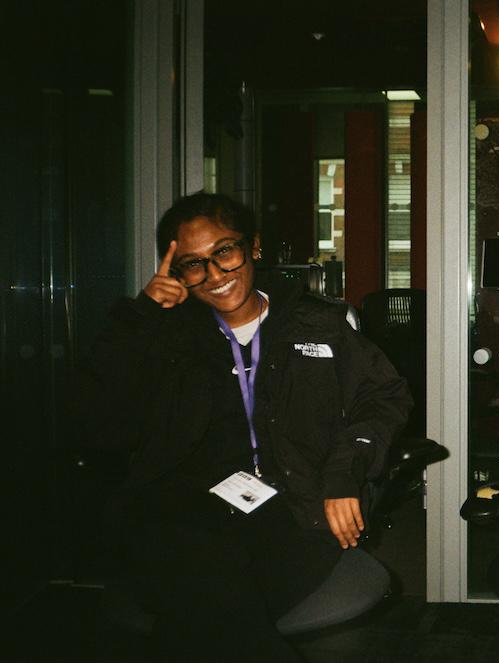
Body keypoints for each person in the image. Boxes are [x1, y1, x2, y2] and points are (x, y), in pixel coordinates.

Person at [80, 193, 411, 661]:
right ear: (178, 273)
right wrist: (140, 318)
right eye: (194, 265)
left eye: (224, 252)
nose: (214, 275)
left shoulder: (316, 324)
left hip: (293, 505)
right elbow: (99, 421)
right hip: (185, 510)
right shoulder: (165, 335)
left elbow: (383, 397)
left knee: (207, 610)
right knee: (206, 583)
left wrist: (344, 473)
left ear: (253, 247)